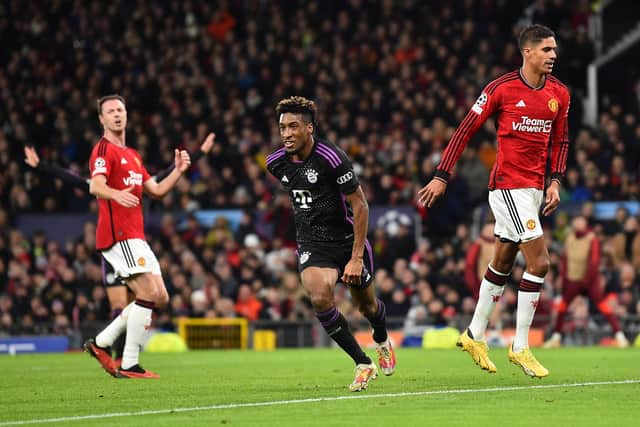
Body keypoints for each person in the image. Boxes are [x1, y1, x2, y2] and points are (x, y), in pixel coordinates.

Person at [418, 24, 570, 378]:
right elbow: (465, 129)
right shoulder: (500, 89)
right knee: (541, 263)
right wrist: (442, 174)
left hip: (533, 189)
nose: (553, 56)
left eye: (554, 50)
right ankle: (521, 346)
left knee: (502, 260)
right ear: (527, 52)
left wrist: (555, 181)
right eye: (546, 50)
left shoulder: (560, 94)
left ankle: (474, 333)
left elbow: (561, 142)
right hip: (507, 185)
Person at [23, 133, 215, 368]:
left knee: (153, 298)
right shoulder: (102, 177)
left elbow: (156, 182)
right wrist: (42, 166)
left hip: (135, 242)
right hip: (117, 244)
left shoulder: (134, 168)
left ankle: (106, 345)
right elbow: (76, 180)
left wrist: (196, 156)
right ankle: (120, 356)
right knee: (122, 303)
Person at [265, 96, 395, 392]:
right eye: (282, 127)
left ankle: (381, 338)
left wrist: (356, 257)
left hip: (348, 242)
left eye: (293, 126)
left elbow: (360, 206)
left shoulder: (332, 158)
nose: (286, 134)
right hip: (313, 244)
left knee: (368, 307)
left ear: (309, 128)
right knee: (320, 297)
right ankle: (362, 363)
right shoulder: (275, 163)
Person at [83, 94, 191, 379]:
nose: (117, 114)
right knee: (149, 293)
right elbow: (96, 185)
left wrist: (178, 171)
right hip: (118, 235)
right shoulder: (103, 150)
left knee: (161, 296)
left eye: (120, 109)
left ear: (126, 115)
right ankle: (129, 362)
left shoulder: (132, 155)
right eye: (110, 111)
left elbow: (155, 190)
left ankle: (102, 342)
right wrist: (115, 193)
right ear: (102, 119)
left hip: (136, 235)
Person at [544, 215, 629, 348]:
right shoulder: (570, 238)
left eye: (580, 221)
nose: (578, 223)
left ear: (585, 224)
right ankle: (556, 337)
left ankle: (620, 336)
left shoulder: (592, 238)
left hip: (589, 281)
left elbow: (594, 262)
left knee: (603, 305)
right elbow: (565, 260)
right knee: (562, 307)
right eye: (576, 221)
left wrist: (586, 280)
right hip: (572, 280)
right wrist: (564, 278)